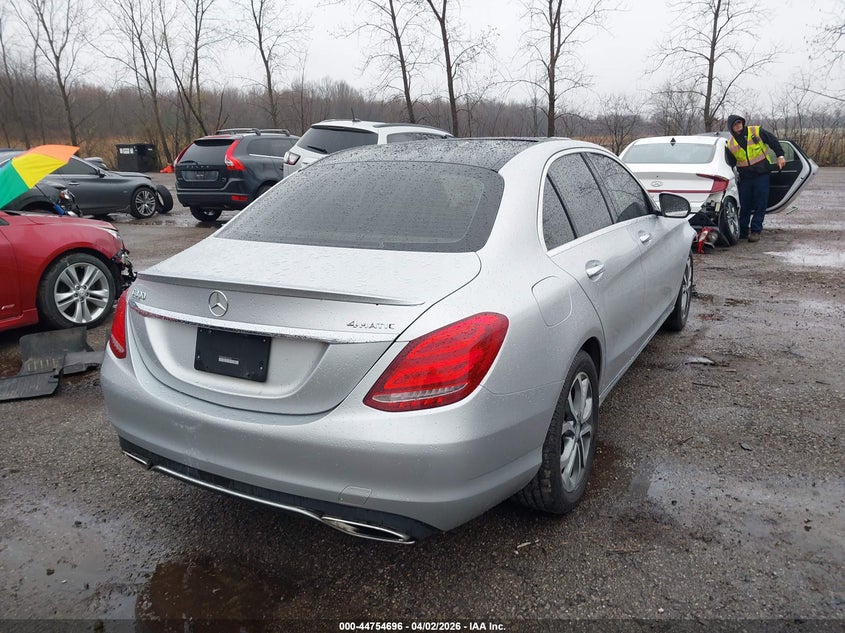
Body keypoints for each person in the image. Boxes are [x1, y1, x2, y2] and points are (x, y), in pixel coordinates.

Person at [724, 114, 787, 242]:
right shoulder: (730, 144)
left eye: (740, 122)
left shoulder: (755, 131)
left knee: (760, 203)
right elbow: (730, 163)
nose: (738, 125)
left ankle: (756, 230)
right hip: (745, 178)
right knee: (744, 205)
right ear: (731, 128)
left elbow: (773, 141)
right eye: (735, 124)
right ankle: (742, 230)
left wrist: (780, 155)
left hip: (761, 174)